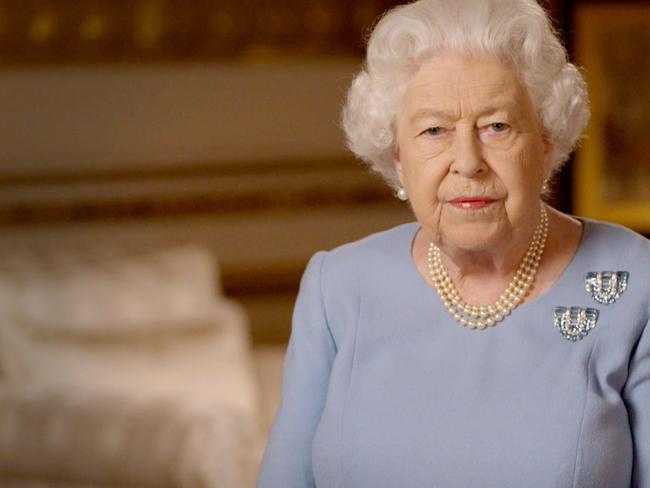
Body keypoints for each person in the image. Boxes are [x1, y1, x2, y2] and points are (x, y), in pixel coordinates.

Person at [257, 0, 650, 486]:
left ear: (546, 143)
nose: (468, 161)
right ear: (398, 156)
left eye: (497, 126)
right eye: (434, 130)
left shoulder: (635, 283)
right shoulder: (336, 288)